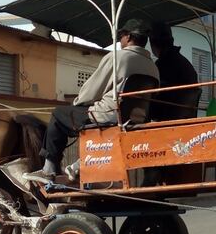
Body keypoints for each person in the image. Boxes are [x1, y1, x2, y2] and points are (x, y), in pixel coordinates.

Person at [40, 18, 160, 181]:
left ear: (129, 37)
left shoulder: (118, 57)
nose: (119, 41)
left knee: (59, 114)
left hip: (109, 115)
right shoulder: (153, 67)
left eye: (121, 36)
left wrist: (77, 103)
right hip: (135, 118)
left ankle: (49, 167)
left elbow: (92, 91)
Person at [148, 23, 198, 120]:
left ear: (152, 43)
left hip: (167, 116)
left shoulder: (162, 65)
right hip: (183, 118)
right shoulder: (184, 63)